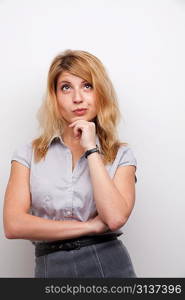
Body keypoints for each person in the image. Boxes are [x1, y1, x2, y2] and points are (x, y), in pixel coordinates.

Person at [3, 49, 138, 278]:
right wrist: (89, 226)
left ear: (100, 93)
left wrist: (91, 149)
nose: (77, 98)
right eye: (66, 87)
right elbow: (13, 225)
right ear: (54, 97)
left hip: (108, 266)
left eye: (87, 86)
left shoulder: (121, 154)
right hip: (50, 268)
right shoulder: (28, 154)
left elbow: (115, 218)